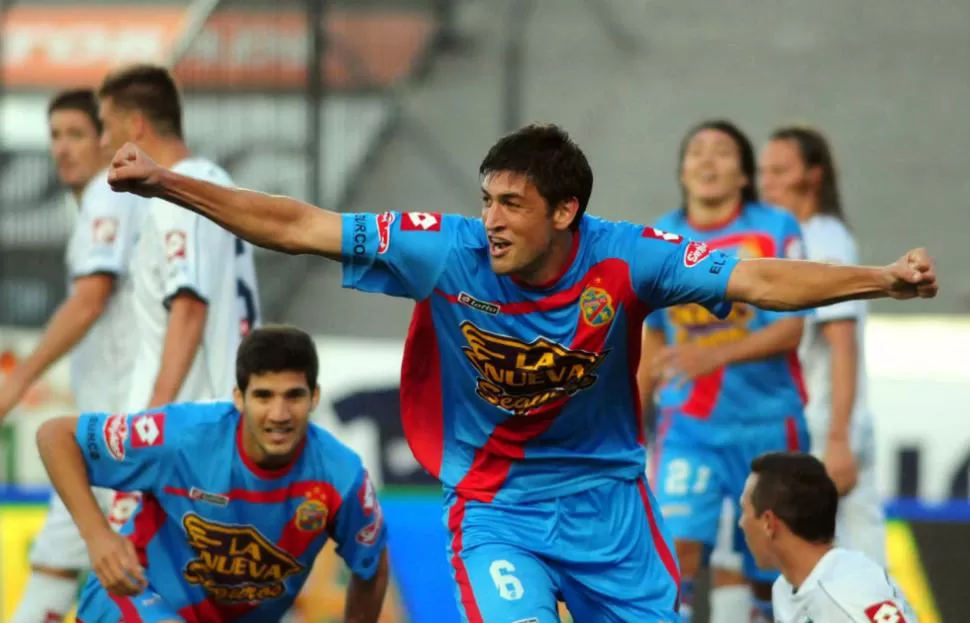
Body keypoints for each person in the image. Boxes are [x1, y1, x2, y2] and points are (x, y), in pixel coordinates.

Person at [105, 123, 936, 622]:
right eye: (486, 199)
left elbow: (757, 280)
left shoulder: (630, 260)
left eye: (511, 203)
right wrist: (164, 184)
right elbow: (295, 224)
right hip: (497, 507)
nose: (490, 220)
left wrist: (881, 280)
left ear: (565, 211)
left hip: (610, 500)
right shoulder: (444, 247)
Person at [35, 325, 390, 622]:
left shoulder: (342, 478)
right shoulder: (180, 436)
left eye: (293, 396)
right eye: (264, 396)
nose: (279, 414)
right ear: (239, 398)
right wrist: (98, 537)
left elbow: (371, 568)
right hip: (133, 595)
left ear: (315, 397)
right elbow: (55, 436)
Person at [637, 119, 810, 623]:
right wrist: (625, 416)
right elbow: (651, 341)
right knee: (675, 558)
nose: (708, 161)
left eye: (722, 152)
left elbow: (790, 331)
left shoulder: (776, 228)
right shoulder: (659, 239)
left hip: (770, 425)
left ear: (743, 174)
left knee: (772, 566)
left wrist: (710, 355)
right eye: (696, 152)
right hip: (689, 428)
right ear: (682, 171)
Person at [0, 88, 145, 623]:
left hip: (122, 433)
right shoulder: (102, 207)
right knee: (55, 567)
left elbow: (89, 301)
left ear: (106, 139)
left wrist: (17, 383)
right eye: (55, 136)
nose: (62, 148)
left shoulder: (110, 198)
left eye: (76, 134)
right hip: (96, 434)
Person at [96, 63, 261, 526]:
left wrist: (148, 435)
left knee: (130, 587)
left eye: (107, 127)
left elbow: (188, 308)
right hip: (221, 428)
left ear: (136, 126)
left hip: (183, 435)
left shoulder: (174, 195)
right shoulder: (214, 184)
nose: (103, 143)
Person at [760, 125, 886, 564]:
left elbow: (841, 343)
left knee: (848, 557)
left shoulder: (824, 240)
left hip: (828, 425)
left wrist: (838, 438)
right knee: (846, 554)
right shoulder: (796, 237)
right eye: (763, 171)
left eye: (779, 171)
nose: (767, 182)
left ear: (813, 176)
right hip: (820, 424)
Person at [739, 452, 916, 622]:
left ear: (769, 523)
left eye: (745, 511)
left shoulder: (850, 595)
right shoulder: (785, 588)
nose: (741, 523)